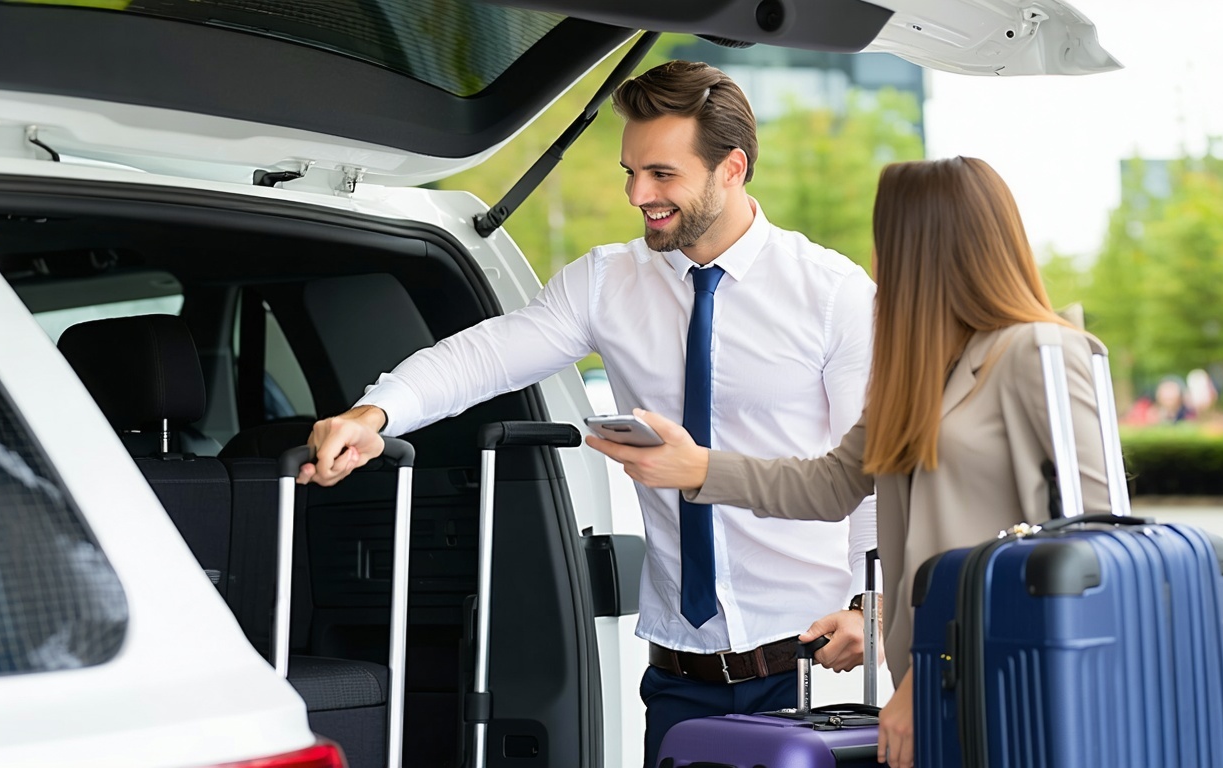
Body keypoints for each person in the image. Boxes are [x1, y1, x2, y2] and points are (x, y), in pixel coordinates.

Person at [299, 61, 879, 766]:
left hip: (816, 673)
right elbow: (481, 357)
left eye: (662, 174)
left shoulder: (834, 295)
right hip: (678, 679)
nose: (639, 194)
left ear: (732, 168)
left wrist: (866, 611)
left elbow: (874, 470)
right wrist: (374, 414)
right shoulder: (608, 281)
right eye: (631, 172)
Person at [587, 156, 1112, 768]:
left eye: (889, 238)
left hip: (1022, 685)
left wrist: (929, 677)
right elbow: (832, 482)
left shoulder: (1043, 351)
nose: (879, 260)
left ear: (933, 244)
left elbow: (1090, 552)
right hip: (937, 691)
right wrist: (697, 468)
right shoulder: (920, 372)